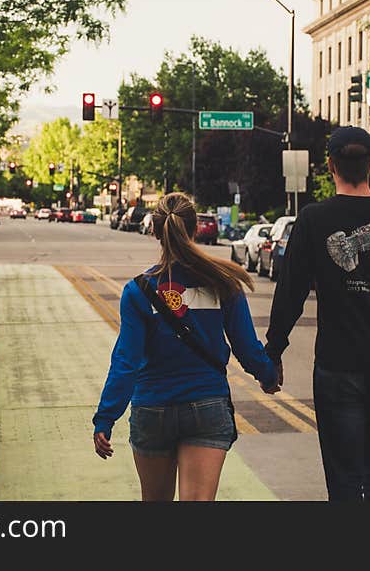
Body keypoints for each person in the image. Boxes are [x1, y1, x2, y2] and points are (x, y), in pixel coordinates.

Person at [265, 126, 370, 502]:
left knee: (343, 472)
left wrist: (273, 351)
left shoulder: (312, 220)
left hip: (336, 366)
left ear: (330, 166)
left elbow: (290, 293)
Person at [92, 192, 281, 501]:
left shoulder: (138, 291)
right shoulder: (222, 283)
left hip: (152, 406)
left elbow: (126, 361)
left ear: (154, 232)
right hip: (207, 405)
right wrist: (268, 375)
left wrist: (106, 417)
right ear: (194, 230)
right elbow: (247, 348)